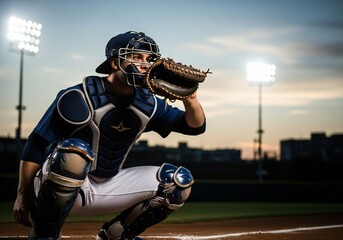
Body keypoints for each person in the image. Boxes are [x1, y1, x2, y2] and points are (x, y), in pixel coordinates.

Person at [13, 31, 206, 240]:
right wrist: (23, 194)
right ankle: (45, 234)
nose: (145, 64)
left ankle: (116, 234)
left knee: (177, 182)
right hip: (61, 187)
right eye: (136, 57)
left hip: (110, 183)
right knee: (74, 154)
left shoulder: (148, 104)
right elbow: (36, 143)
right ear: (115, 63)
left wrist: (191, 98)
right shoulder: (78, 96)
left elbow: (194, 126)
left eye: (149, 59)